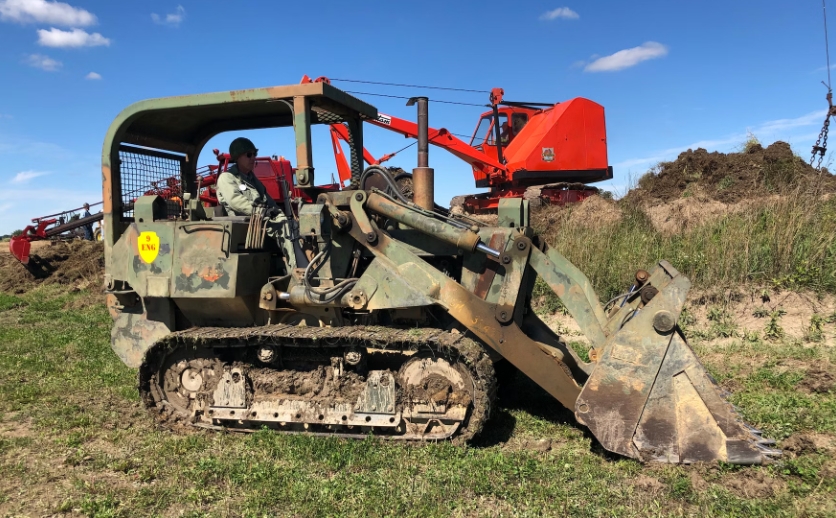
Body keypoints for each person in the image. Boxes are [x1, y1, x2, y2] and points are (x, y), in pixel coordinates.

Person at [216, 137, 294, 267]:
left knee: (293, 226)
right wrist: (263, 212)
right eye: (249, 155)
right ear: (237, 157)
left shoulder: (252, 179)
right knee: (285, 229)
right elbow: (236, 202)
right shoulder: (227, 178)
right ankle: (298, 272)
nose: (253, 158)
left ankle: (298, 268)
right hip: (245, 224)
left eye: (254, 154)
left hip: (260, 221)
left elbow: (268, 201)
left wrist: (280, 214)